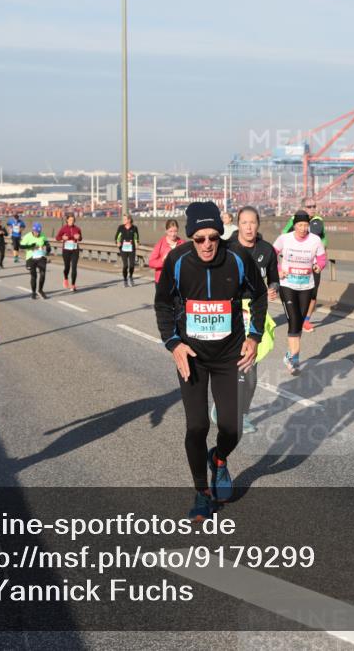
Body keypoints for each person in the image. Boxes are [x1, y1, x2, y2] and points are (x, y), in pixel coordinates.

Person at [154, 202, 266, 520]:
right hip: (192, 356)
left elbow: (258, 296)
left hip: (229, 354)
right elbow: (162, 305)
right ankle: (202, 494)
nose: (206, 245)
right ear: (191, 238)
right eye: (199, 238)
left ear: (220, 234)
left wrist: (254, 336)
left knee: (231, 427)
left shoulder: (237, 259)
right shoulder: (177, 261)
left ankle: (219, 457)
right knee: (197, 426)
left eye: (212, 237)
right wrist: (173, 344)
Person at [223, 206, 279, 434]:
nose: (248, 227)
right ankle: (224, 405)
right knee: (231, 366)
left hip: (256, 311)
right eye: (244, 223)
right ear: (238, 224)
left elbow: (274, 279)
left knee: (251, 373)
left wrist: (273, 289)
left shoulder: (266, 250)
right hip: (230, 310)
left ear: (258, 224)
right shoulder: (226, 248)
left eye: (252, 223)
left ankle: (243, 414)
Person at [274, 210, 326, 375]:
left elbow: (322, 258)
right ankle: (295, 360)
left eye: (306, 225)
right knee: (294, 319)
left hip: (306, 286)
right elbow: (271, 254)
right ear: (294, 225)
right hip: (287, 285)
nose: (303, 228)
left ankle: (290, 354)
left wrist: (319, 266)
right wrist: (278, 269)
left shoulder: (315, 240)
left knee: (299, 322)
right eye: (300, 225)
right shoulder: (285, 238)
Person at [282, 198, 327, 332]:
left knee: (313, 293)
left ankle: (306, 321)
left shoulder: (319, 221)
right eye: (309, 206)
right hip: (298, 261)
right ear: (303, 208)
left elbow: (324, 239)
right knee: (297, 290)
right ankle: (297, 316)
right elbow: (284, 235)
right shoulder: (295, 219)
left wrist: (322, 259)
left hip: (314, 263)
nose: (312, 208)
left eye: (314, 206)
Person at [148, 219, 185, 283]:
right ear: (166, 231)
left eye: (175, 231)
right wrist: (163, 261)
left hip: (178, 281)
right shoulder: (160, 243)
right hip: (162, 280)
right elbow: (151, 263)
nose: (173, 234)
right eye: (170, 231)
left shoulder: (183, 243)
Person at [20, 222, 51, 299]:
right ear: (33, 230)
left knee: (43, 274)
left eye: (39, 232)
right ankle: (33, 292)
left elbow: (46, 242)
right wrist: (30, 246)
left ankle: (40, 290)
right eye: (36, 232)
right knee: (34, 275)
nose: (37, 234)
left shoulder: (42, 235)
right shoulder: (27, 236)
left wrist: (48, 246)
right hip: (31, 258)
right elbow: (21, 246)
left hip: (41, 256)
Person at [56, 214, 83, 291]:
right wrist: (62, 238)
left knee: (74, 267)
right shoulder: (63, 229)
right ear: (67, 220)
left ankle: (73, 285)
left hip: (75, 250)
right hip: (66, 250)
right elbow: (57, 237)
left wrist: (79, 237)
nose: (72, 221)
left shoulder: (77, 229)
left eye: (73, 220)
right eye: (70, 220)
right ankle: (65, 278)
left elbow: (81, 238)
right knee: (67, 267)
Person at [115, 215, 140, 287]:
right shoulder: (121, 227)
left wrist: (137, 243)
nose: (123, 220)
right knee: (125, 265)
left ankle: (131, 277)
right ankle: (125, 280)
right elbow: (117, 237)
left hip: (131, 248)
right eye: (123, 219)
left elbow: (136, 237)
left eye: (125, 219)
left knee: (132, 265)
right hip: (123, 248)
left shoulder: (134, 228)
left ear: (129, 220)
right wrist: (117, 242)